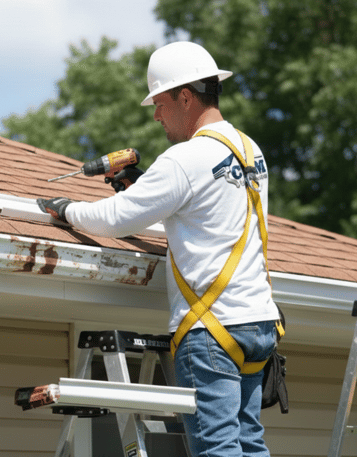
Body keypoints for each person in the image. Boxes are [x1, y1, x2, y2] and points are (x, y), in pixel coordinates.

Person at [38, 41, 280, 457]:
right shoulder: (250, 151)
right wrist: (151, 189)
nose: (155, 115)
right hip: (257, 324)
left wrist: (67, 210)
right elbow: (209, 209)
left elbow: (113, 219)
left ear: (185, 97)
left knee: (218, 450)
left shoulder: (184, 159)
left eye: (161, 102)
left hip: (213, 332)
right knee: (248, 444)